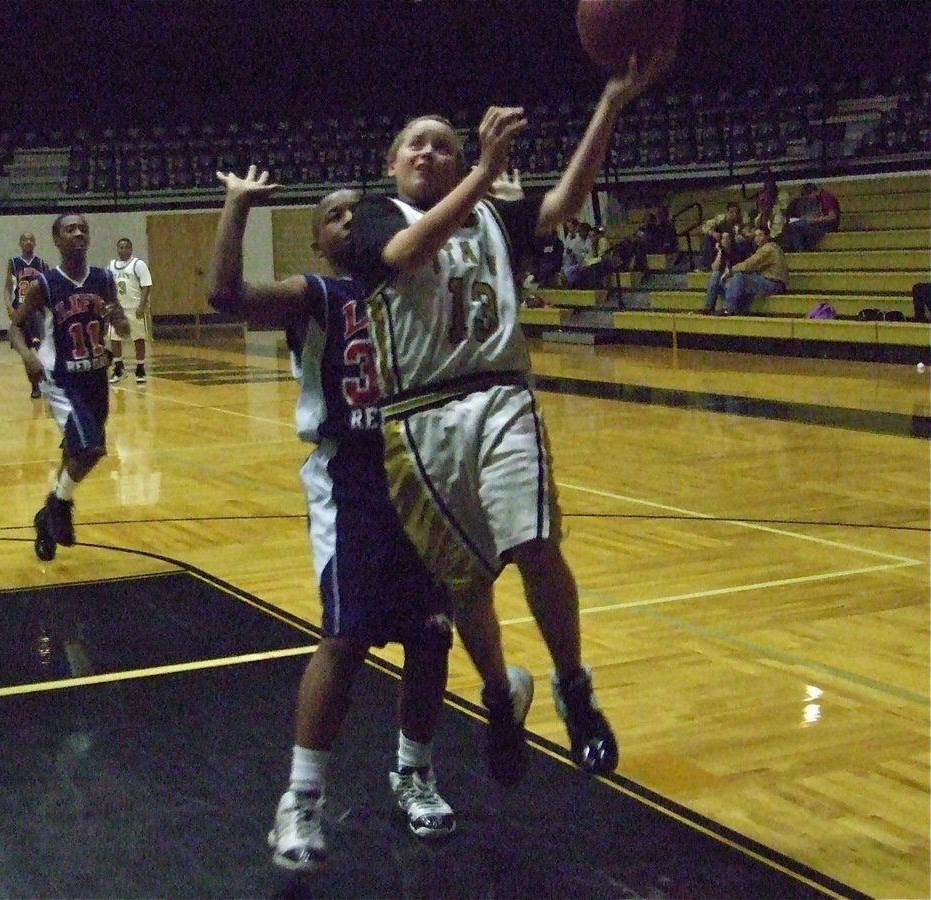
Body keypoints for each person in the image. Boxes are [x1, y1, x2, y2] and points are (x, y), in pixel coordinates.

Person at [341, 46, 674, 777]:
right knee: (465, 585)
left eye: (445, 145)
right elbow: (405, 252)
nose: (430, 152)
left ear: (460, 162)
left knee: (535, 544)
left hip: (499, 396)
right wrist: (483, 176)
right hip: (420, 419)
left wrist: (609, 104)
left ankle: (574, 688)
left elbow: (564, 204)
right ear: (392, 164)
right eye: (415, 144)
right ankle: (499, 696)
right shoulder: (370, 217)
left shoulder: (494, 211)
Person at [208, 171, 479, 872]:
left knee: (431, 636)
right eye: (333, 215)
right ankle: (301, 797)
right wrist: (236, 208)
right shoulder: (320, 295)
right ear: (319, 242)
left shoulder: (417, 281)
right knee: (345, 636)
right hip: (350, 478)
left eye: (360, 211)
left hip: (423, 470)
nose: (349, 220)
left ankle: (412, 771)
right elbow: (225, 296)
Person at [9, 213, 129, 561]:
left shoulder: (103, 279)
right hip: (61, 378)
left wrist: (117, 319)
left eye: (83, 229)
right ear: (57, 240)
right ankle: (58, 505)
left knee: (75, 453)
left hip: (96, 376)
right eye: (70, 230)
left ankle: (45, 521)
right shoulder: (45, 285)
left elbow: (121, 328)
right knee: (91, 448)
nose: (78, 233)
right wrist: (27, 356)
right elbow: (13, 328)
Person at [3, 232, 49, 400]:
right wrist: (9, 306)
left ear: (35, 243)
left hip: (37, 311)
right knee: (25, 352)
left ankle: (46, 379)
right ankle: (34, 385)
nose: (28, 242)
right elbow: (7, 288)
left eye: (31, 239)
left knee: (42, 348)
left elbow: (49, 288)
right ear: (20, 243)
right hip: (19, 310)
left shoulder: (42, 264)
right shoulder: (14, 263)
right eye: (25, 239)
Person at [107, 238, 152, 385]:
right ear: (117, 249)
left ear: (131, 249)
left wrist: (142, 305)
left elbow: (146, 285)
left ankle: (140, 368)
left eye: (126, 247)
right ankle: (119, 367)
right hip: (117, 308)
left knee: (138, 338)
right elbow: (108, 285)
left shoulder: (138, 264)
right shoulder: (112, 265)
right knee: (114, 339)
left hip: (134, 307)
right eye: (120, 247)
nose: (123, 250)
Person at [721, 225, 787, 315]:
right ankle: (739, 310)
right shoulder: (774, 247)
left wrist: (731, 270)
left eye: (760, 235)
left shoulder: (768, 249)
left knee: (739, 277)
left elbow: (750, 264)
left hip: (774, 283)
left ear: (767, 236)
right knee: (742, 283)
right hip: (774, 282)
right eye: (756, 236)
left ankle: (728, 308)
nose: (757, 238)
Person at [781, 182, 840, 251]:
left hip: (827, 227)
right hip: (820, 225)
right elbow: (821, 214)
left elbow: (832, 217)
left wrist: (814, 220)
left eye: (808, 196)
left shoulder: (826, 197)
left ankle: (800, 251)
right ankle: (799, 249)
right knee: (794, 226)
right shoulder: (819, 199)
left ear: (812, 192)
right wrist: (809, 218)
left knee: (795, 226)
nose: (809, 199)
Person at [701, 230, 749, 313]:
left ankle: (728, 308)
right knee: (715, 274)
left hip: (734, 283)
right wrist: (719, 252)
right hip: (723, 283)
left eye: (727, 238)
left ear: (731, 240)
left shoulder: (738, 252)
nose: (725, 240)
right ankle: (709, 307)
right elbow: (715, 268)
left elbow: (740, 270)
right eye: (723, 239)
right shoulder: (718, 252)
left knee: (735, 278)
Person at [696, 201, 744, 269]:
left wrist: (739, 232)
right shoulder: (720, 219)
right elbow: (705, 227)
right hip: (720, 240)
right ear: (727, 212)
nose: (734, 214)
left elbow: (746, 231)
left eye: (736, 212)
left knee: (741, 241)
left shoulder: (741, 220)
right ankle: (706, 265)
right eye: (731, 212)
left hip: (734, 241)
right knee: (708, 238)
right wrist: (713, 233)